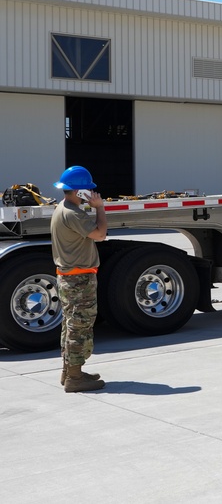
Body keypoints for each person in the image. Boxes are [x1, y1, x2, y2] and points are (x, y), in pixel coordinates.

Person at [50, 166, 107, 392]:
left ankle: (70, 372)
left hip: (69, 277)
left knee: (70, 324)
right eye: (88, 190)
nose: (92, 194)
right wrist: (100, 208)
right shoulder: (74, 213)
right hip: (79, 279)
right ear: (79, 191)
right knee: (79, 326)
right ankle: (74, 378)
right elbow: (101, 235)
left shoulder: (62, 208)